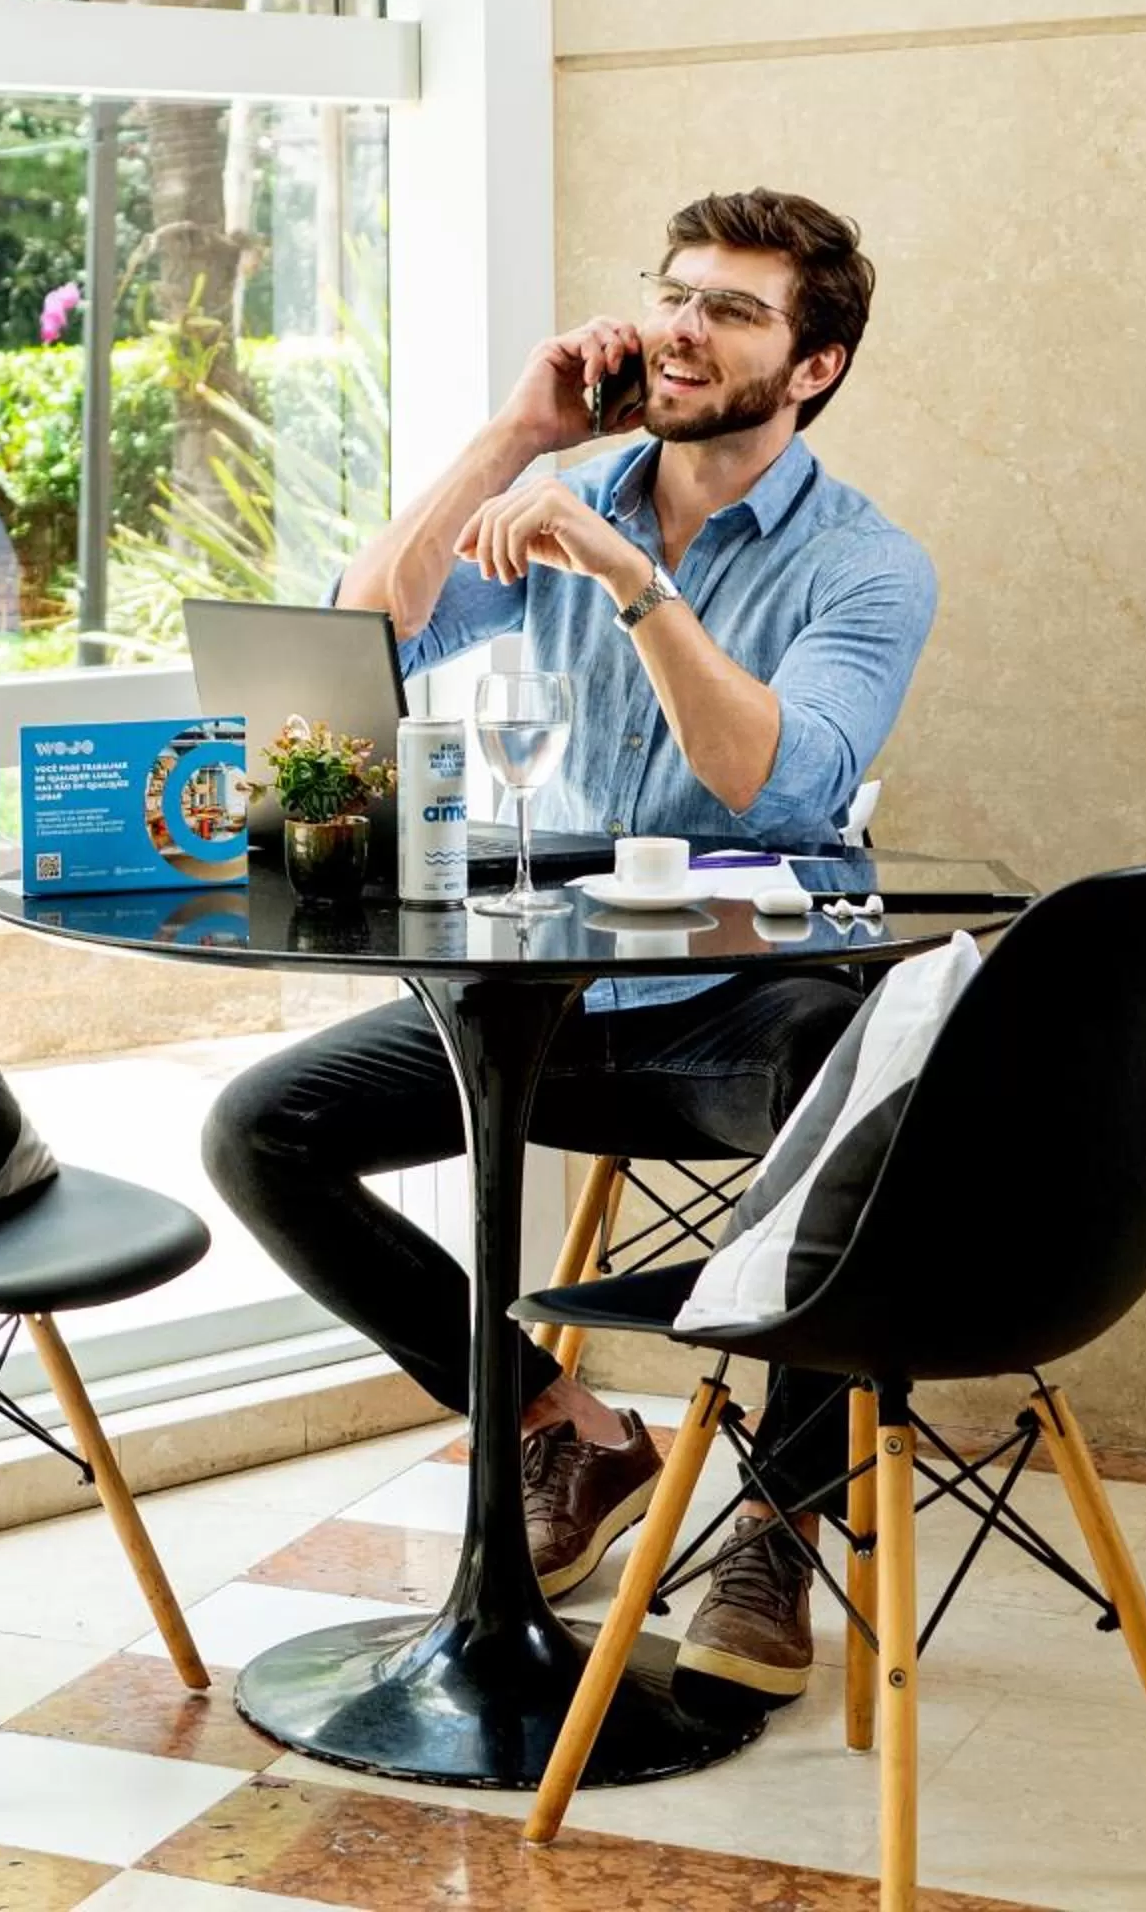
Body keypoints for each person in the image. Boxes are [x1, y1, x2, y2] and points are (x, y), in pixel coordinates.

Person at [204, 188, 936, 1700]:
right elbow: (366, 641)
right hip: (550, 985)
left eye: (734, 310)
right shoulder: (559, 485)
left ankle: (779, 1525)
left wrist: (625, 573)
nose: (683, 326)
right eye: (675, 293)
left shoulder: (867, 567)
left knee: (860, 1089)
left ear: (816, 367)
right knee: (259, 1135)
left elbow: (779, 784)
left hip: (746, 994)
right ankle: (564, 1432)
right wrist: (510, 443)